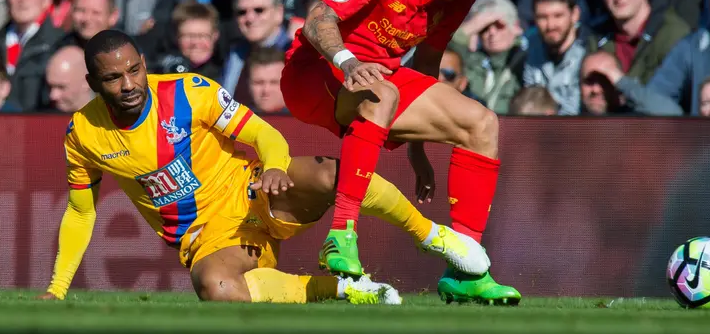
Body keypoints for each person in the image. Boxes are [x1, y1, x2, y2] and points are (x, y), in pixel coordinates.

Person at [38, 30, 489, 304]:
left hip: (256, 188)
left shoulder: (188, 91)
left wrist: (274, 164)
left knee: (337, 173)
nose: (129, 84)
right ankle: (342, 291)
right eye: (114, 78)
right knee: (216, 289)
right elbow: (82, 212)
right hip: (209, 237)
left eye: (134, 70)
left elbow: (262, 133)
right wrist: (58, 288)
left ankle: (434, 237)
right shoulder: (82, 135)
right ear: (93, 83)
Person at [280, 0, 521, 304]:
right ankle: (341, 236)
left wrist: (417, 145)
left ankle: (467, 269)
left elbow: (426, 66)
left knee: (482, 123)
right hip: (314, 72)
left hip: (377, 83)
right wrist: (349, 62)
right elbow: (318, 16)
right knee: (383, 90)